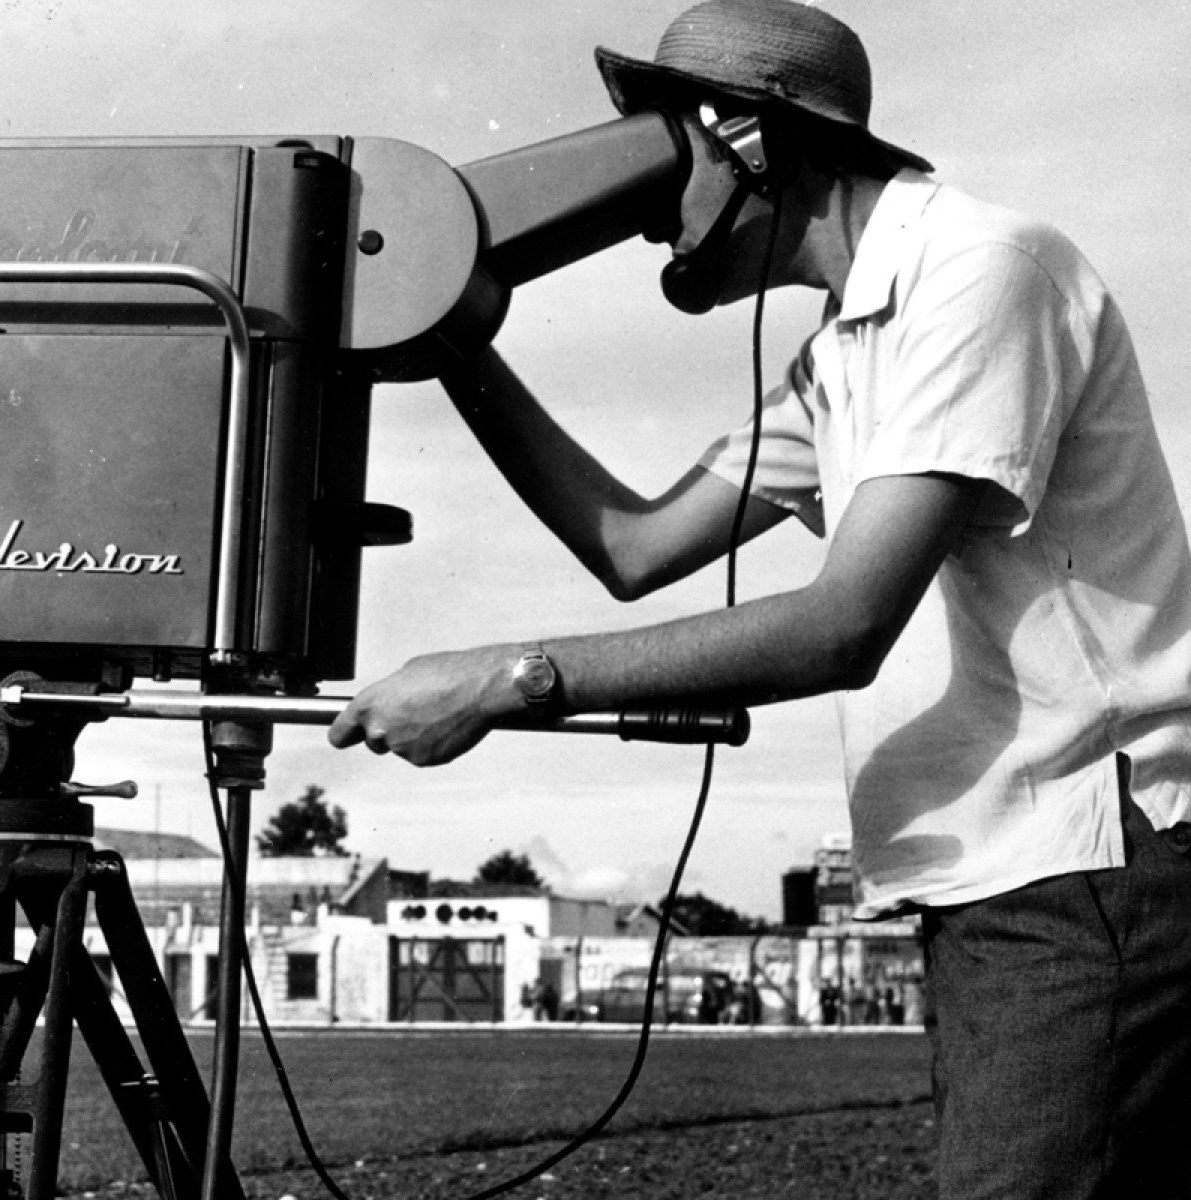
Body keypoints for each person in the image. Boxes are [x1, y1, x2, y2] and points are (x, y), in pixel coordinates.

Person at [327, 2, 1191, 1196]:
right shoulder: (843, 355)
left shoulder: (979, 272)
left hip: (1087, 865)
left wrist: (506, 680)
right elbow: (632, 543)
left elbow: (844, 627)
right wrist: (453, 332)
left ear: (751, 142)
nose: (647, 221)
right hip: (1006, 874)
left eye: (659, 164)